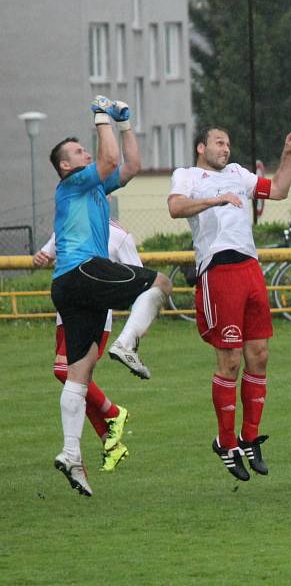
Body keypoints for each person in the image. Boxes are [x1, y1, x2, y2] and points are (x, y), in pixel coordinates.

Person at [167, 126, 291, 481]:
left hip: (249, 268)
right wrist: (216, 200)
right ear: (201, 146)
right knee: (229, 360)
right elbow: (175, 207)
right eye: (219, 142)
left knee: (259, 355)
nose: (225, 148)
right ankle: (226, 442)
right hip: (218, 270)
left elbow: (277, 190)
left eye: (229, 143)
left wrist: (288, 153)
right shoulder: (187, 176)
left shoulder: (238, 173)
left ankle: (249, 437)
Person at [49, 96, 172, 496]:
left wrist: (125, 123)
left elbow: (130, 166)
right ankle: (127, 343)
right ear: (67, 166)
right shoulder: (73, 183)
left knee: (79, 371)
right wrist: (101, 116)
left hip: (69, 283)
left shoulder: (94, 185)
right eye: (77, 151)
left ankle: (70, 453)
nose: (85, 152)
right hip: (81, 270)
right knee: (161, 283)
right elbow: (106, 159)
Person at [34, 218, 141, 472]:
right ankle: (111, 444)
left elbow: (138, 278)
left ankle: (114, 413)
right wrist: (42, 257)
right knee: (77, 383)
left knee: (66, 373)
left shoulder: (118, 236)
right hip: (66, 313)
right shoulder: (67, 222)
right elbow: (48, 254)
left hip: (95, 317)